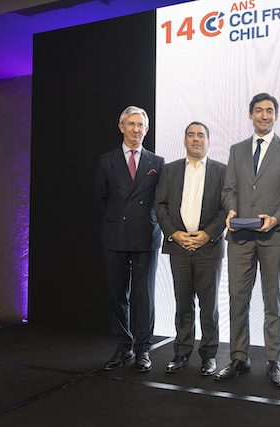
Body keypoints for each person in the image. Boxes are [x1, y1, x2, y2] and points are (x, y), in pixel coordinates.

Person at [216, 93, 280, 386]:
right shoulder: (236, 150)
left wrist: (275, 218)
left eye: (270, 111)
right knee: (237, 299)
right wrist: (230, 210)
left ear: (276, 115)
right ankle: (238, 358)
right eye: (259, 110)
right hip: (240, 235)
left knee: (272, 301)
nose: (264, 115)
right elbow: (229, 189)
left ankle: (274, 361)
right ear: (250, 114)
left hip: (275, 235)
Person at [155, 122, 226, 376]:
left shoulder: (222, 171)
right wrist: (174, 234)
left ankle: (209, 355)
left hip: (209, 248)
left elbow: (226, 209)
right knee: (183, 304)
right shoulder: (170, 170)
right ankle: (182, 352)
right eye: (191, 135)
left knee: (209, 306)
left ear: (208, 140)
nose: (196, 139)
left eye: (201, 135)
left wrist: (207, 235)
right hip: (179, 247)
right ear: (184, 140)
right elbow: (160, 205)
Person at [97, 105, 164, 373]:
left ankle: (143, 349)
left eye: (141, 125)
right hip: (115, 235)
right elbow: (102, 197)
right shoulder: (107, 161)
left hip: (146, 235)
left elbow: (160, 200)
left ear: (147, 130)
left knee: (144, 295)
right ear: (121, 126)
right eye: (131, 124)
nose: (136, 129)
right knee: (117, 294)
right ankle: (124, 346)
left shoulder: (157, 162)